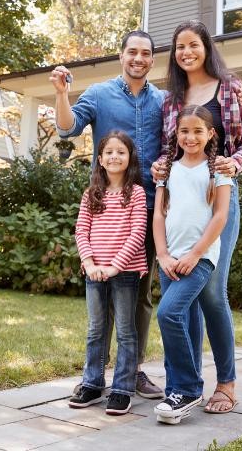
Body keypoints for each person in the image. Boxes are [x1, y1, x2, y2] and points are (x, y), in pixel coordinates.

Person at [50, 31, 165, 398]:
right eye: (132, 51)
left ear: (152, 59)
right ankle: (96, 375)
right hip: (107, 211)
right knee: (102, 300)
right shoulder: (99, 94)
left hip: (149, 210)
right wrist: (62, 94)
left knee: (140, 297)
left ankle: (133, 372)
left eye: (145, 53)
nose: (138, 58)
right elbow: (67, 128)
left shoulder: (163, 100)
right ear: (121, 56)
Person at [152, 20, 242, 414]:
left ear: (205, 47)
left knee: (213, 294)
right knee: (185, 297)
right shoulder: (170, 98)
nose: (186, 52)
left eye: (193, 45)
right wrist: (160, 169)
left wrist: (233, 163)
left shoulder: (230, 87)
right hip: (181, 200)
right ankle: (188, 384)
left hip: (218, 196)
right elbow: (169, 148)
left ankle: (226, 384)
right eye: (179, 46)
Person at [153, 105, 233, 425]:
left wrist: (195, 254)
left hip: (199, 259)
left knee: (168, 312)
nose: (190, 136)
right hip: (169, 258)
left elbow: (220, 216)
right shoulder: (167, 170)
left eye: (198, 130)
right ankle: (176, 392)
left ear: (210, 134)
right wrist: (162, 254)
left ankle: (188, 388)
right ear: (176, 133)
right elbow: (159, 214)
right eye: (185, 130)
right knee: (182, 320)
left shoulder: (219, 171)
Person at [69, 131, 148, 415]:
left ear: (129, 159)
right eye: (109, 152)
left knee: (126, 331)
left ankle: (123, 389)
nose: (115, 156)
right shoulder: (92, 194)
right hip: (94, 272)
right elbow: (81, 230)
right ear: (100, 159)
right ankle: (92, 383)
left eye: (121, 152)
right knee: (96, 330)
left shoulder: (136, 193)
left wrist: (116, 265)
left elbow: (138, 232)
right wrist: (89, 264)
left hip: (124, 271)